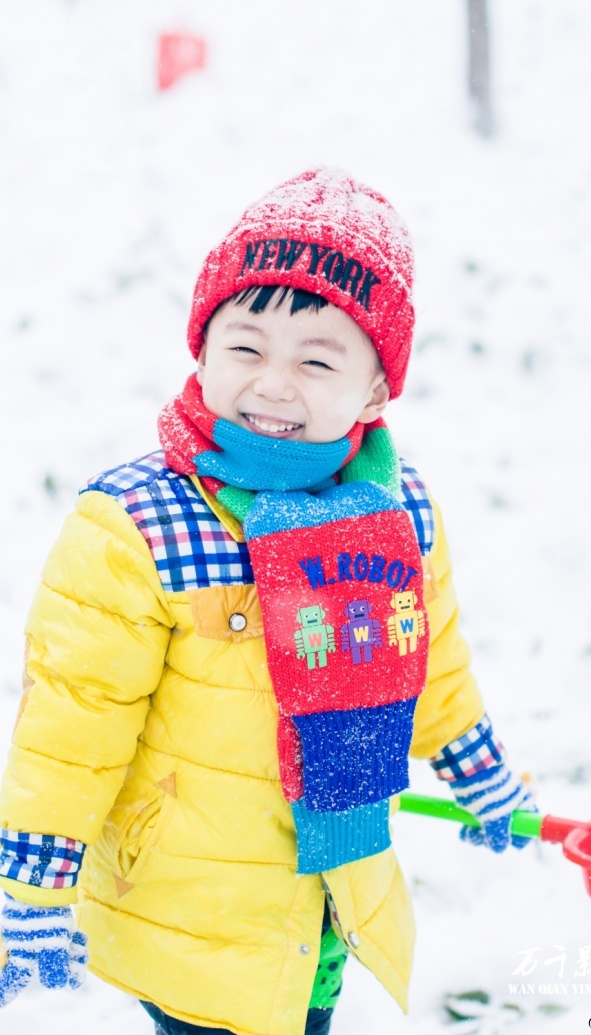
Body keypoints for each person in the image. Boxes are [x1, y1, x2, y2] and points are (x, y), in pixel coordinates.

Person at [0, 168, 535, 1035]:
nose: (273, 383)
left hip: (332, 889)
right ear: (202, 351)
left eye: (317, 360)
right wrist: (30, 885)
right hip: (190, 905)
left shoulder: (398, 513)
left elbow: (429, 662)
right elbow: (72, 726)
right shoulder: (140, 522)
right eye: (245, 347)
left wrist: (485, 779)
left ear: (373, 390)